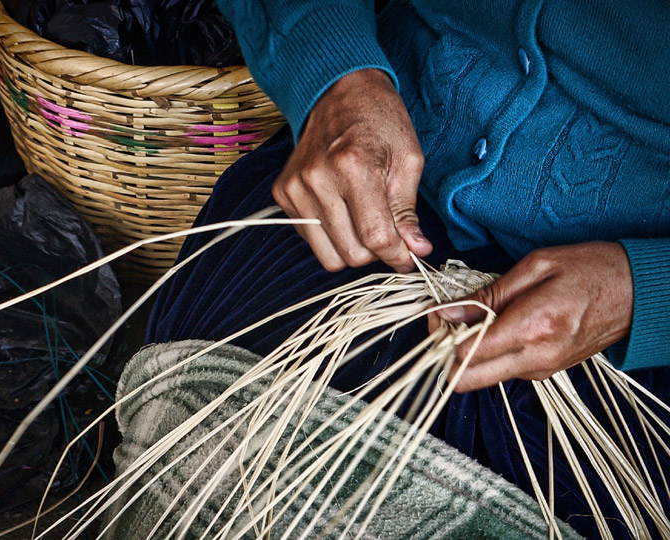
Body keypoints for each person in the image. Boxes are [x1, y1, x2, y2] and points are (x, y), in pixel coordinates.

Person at [145, 0, 670, 538]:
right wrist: (336, 77)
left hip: (628, 309)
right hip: (374, 161)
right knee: (199, 416)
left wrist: (645, 292)